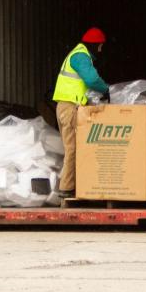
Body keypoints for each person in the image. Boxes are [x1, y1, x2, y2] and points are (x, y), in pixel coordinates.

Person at [51, 27, 110, 199]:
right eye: (100, 46)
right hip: (69, 108)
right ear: (94, 44)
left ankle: (74, 186)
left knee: (75, 148)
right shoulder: (81, 56)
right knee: (73, 149)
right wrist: (105, 89)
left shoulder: (78, 54)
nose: (100, 49)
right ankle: (66, 188)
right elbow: (91, 79)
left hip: (67, 107)